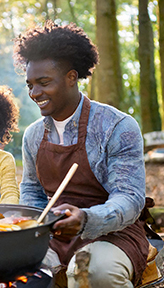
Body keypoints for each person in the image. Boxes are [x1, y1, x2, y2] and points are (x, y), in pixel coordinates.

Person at [13, 21, 151, 287]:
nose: (34, 93)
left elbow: (131, 198)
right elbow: (31, 191)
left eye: (43, 83)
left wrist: (87, 219)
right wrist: (35, 224)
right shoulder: (32, 135)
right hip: (52, 235)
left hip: (113, 234)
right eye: (30, 84)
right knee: (13, 272)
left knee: (91, 272)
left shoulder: (117, 126)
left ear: (72, 77)